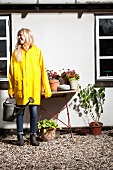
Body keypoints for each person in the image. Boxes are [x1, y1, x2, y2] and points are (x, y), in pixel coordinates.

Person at [8, 28, 52, 146]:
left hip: (33, 88)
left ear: (28, 36)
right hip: (20, 88)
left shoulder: (37, 52)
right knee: (20, 113)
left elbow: (43, 70)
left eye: (21, 35)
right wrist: (11, 88)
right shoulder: (15, 53)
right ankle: (20, 135)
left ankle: (33, 135)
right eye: (18, 36)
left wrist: (47, 89)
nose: (19, 38)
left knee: (33, 112)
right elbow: (11, 73)